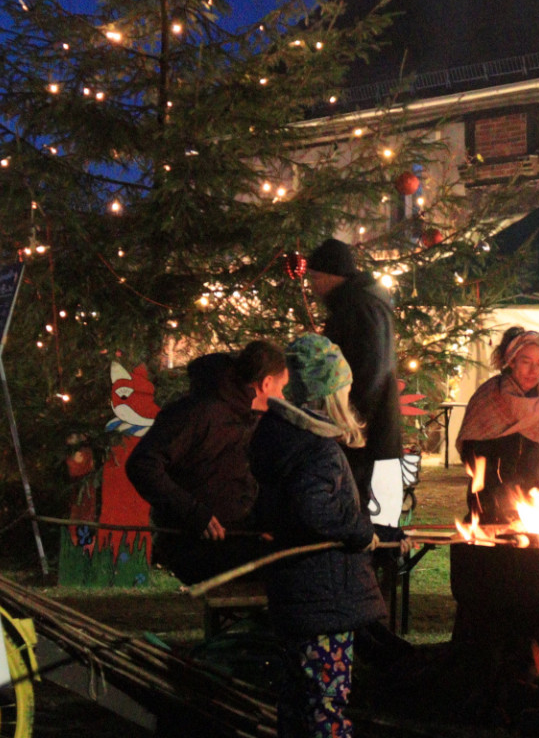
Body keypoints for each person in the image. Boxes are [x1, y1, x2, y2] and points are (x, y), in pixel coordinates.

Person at [249, 335, 389, 738]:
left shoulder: (275, 434)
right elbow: (315, 509)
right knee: (326, 701)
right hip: (323, 598)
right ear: (331, 394)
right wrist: (360, 531)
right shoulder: (316, 448)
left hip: (294, 592)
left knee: (297, 699)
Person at [125, 341, 277, 583]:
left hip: (236, 536)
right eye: (283, 387)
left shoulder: (247, 419)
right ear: (266, 383)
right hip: (197, 544)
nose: (284, 397)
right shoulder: (199, 412)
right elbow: (143, 464)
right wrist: (193, 513)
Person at [307, 238, 401, 507]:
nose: (312, 286)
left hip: (363, 434)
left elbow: (368, 370)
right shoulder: (363, 302)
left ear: (332, 275)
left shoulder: (357, 308)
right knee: (375, 509)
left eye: (315, 277)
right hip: (371, 430)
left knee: (364, 509)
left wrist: (347, 419)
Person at [458, 327, 539, 523]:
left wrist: (536, 498)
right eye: (526, 362)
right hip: (489, 508)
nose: (533, 371)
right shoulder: (489, 397)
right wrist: (501, 498)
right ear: (511, 361)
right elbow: (474, 455)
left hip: (536, 507)